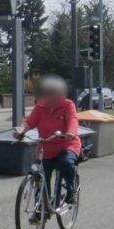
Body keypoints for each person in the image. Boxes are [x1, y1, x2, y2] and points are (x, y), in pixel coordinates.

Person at [13, 74, 81, 208]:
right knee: (41, 177)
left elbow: (73, 119)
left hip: (66, 144)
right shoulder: (40, 107)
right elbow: (30, 121)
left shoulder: (68, 105)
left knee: (66, 163)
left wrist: (70, 133)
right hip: (47, 147)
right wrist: (21, 130)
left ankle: (71, 190)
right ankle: (41, 209)